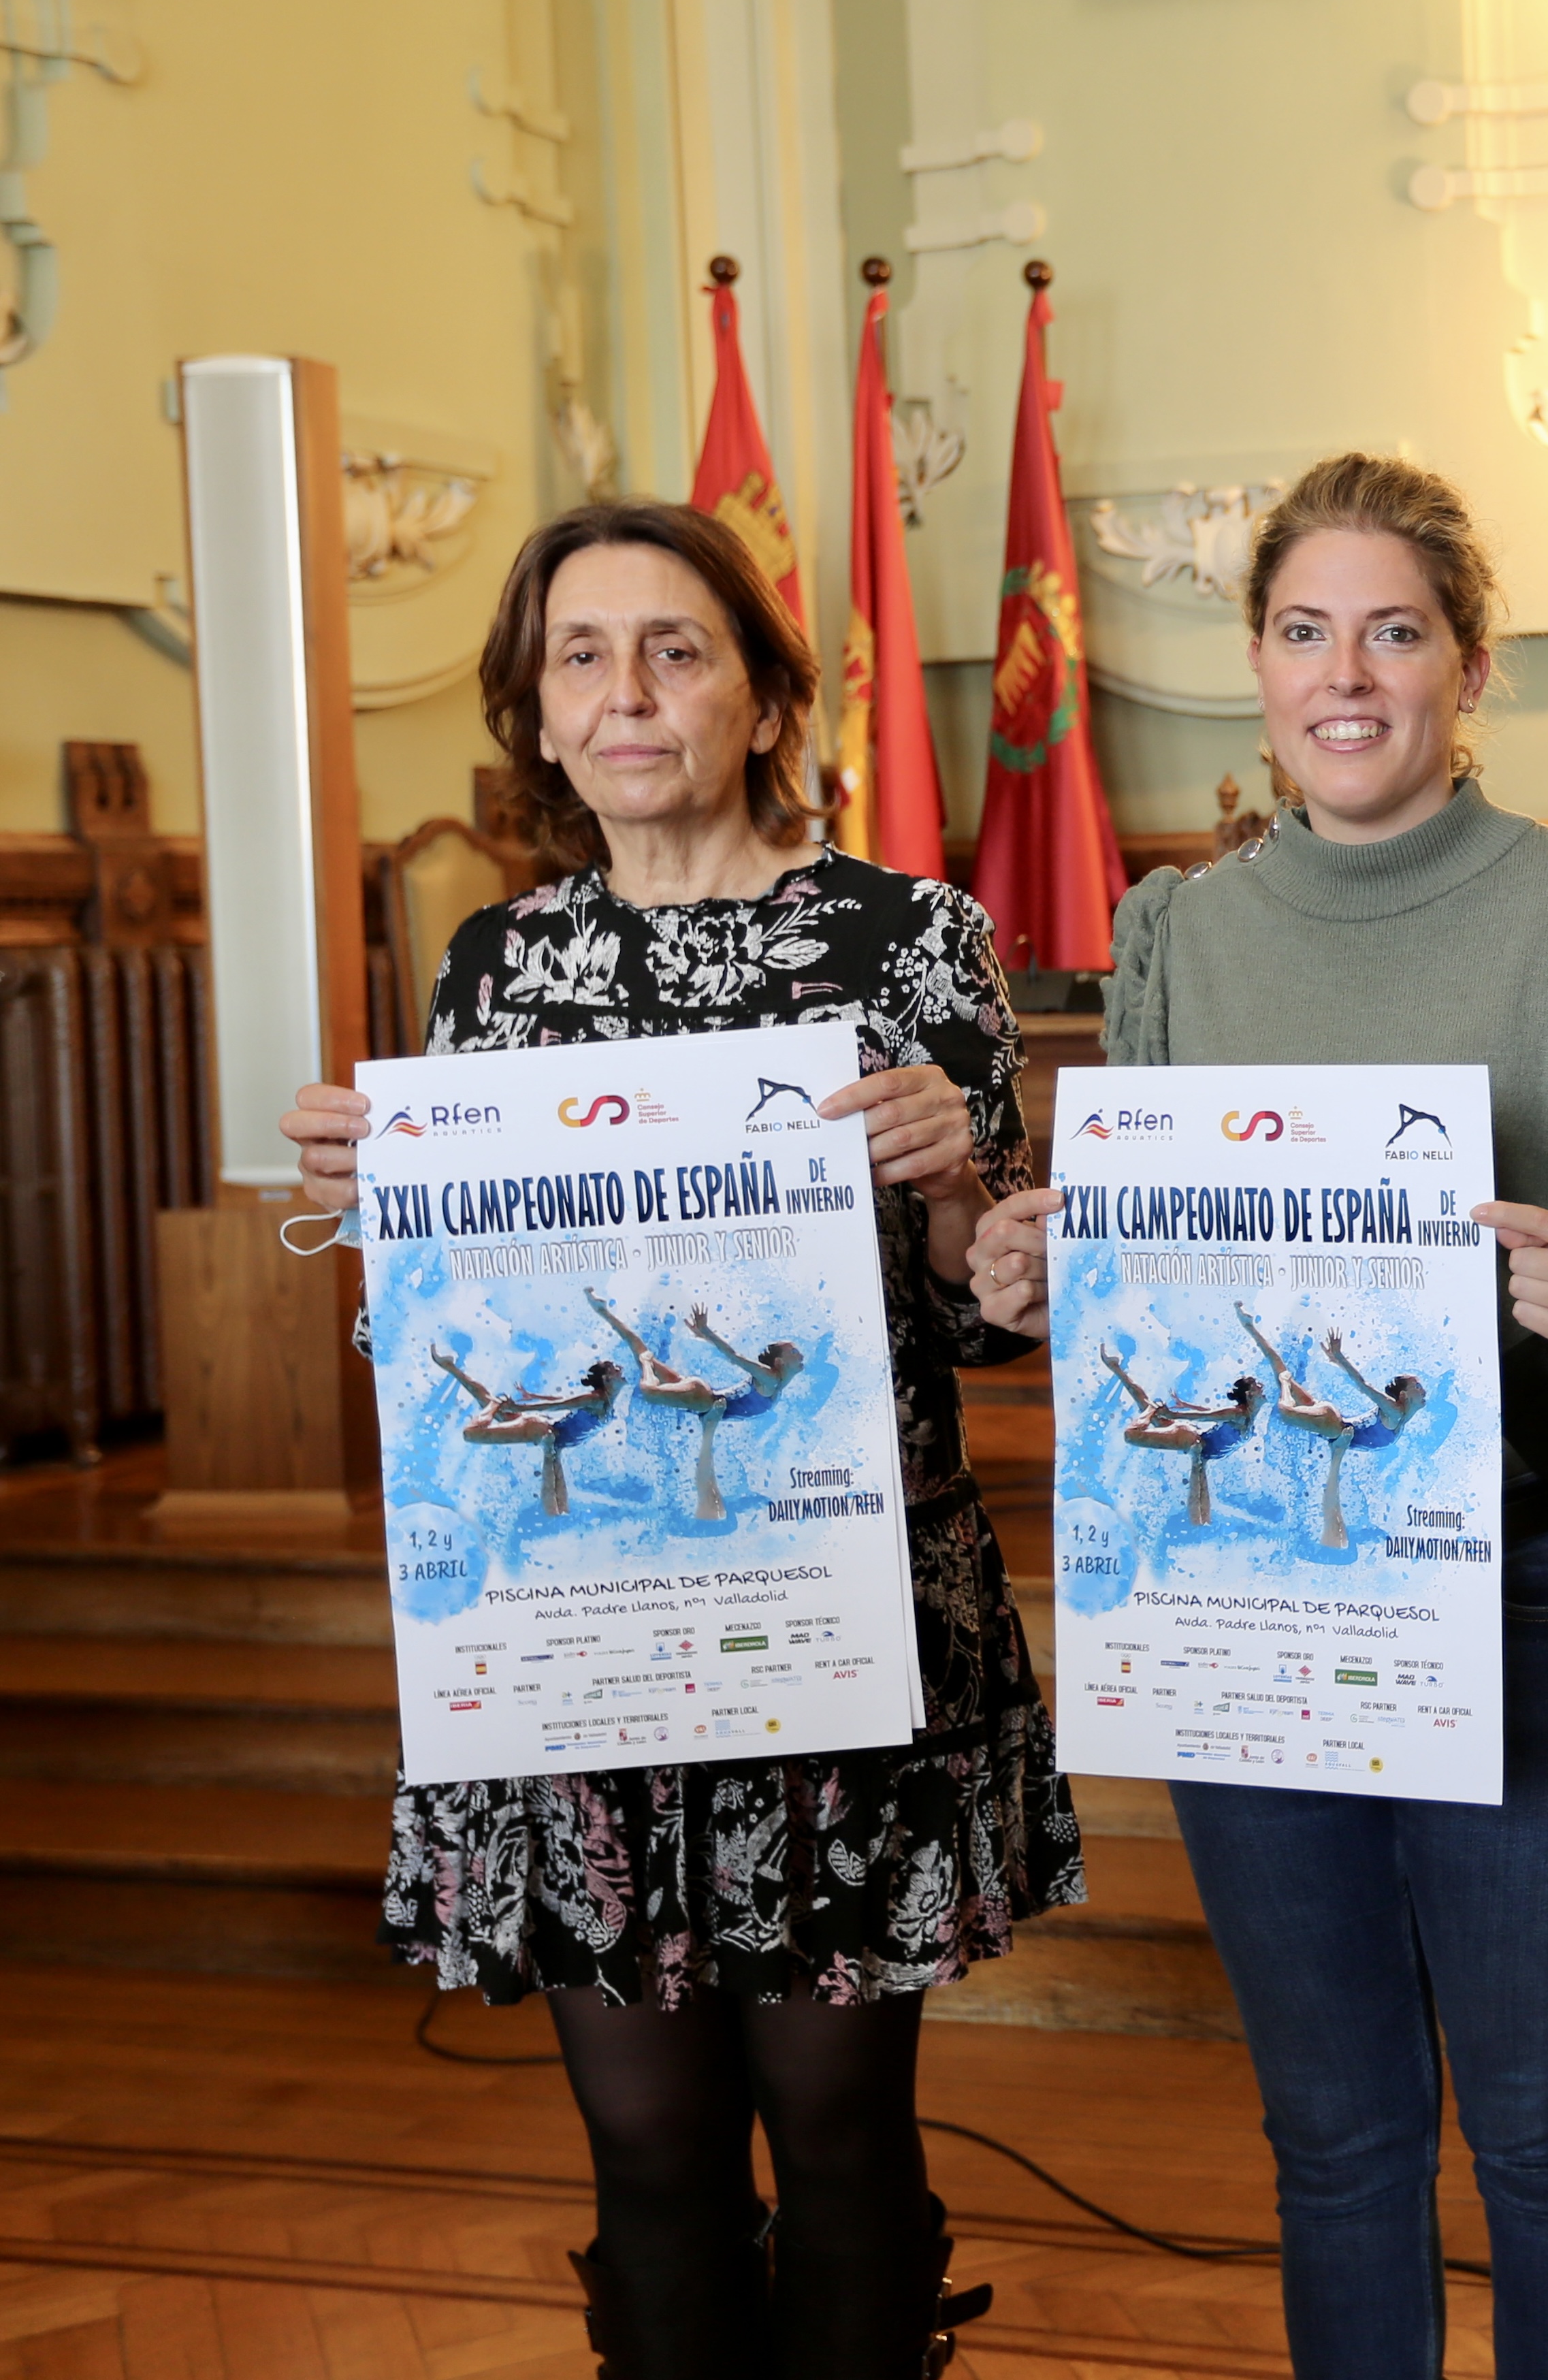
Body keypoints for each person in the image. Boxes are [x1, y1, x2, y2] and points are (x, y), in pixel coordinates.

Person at [279, 498, 1080, 2377]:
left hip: (838, 1625)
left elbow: (987, 1307)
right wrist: (376, 1199)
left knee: (837, 2126)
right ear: (538, 713)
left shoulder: (907, 938)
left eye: (676, 645)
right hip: (578, 1631)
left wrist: (964, 1178)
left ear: (761, 690)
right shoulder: (489, 969)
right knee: (640, 2139)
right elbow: (465, 1329)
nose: (627, 687)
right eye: (582, 652)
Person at [964, 453, 1548, 2380]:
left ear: (1468, 664)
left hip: (1536, 1597)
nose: (1349, 674)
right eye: (1306, 631)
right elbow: (1151, 1298)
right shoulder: (1177, 939)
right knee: (1335, 2140)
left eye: (1395, 630)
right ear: (1256, 664)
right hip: (1254, 1604)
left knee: (1545, 2138)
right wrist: (1049, 1274)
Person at [589, 1290, 809, 1522]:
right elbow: (734, 1356)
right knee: (649, 1389)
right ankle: (644, 1367)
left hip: (701, 1399)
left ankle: (603, 1311)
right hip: (702, 1398)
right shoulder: (770, 1378)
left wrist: (706, 1336)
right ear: (780, 1362)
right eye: (794, 1352)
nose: (801, 1354)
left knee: (643, 1352)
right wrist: (706, 1332)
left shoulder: (776, 1384)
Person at [1246, 1315, 1421, 1554]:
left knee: (1281, 1371)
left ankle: (1249, 1326)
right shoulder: (1394, 1410)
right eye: (1417, 1387)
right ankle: (1285, 1384)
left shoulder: (1400, 1417)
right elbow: (1363, 1385)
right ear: (1403, 1396)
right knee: (1285, 1409)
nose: (1423, 1391)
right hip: (1333, 1425)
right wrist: (1339, 1359)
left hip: (1333, 1426)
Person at [432, 1347, 624, 1519]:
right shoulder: (596, 1400)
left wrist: (533, 1397)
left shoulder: (605, 1401)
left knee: (560, 1505)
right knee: (471, 1434)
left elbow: (563, 1399)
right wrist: (519, 1408)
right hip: (541, 1429)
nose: (621, 1369)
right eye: (615, 1369)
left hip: (552, 1435)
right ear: (606, 1379)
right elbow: (558, 1405)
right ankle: (495, 1403)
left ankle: (451, 1368)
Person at [1106, 1349, 1268, 1527]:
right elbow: (1207, 1417)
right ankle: (1150, 1408)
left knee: (1202, 1495)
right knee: (1131, 1435)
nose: (1263, 1388)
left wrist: (1185, 1405)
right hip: (1191, 1439)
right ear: (1249, 1395)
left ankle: (1116, 1368)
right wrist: (1173, 1415)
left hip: (1198, 1443)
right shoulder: (1238, 1415)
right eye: (1258, 1386)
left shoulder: (1246, 1418)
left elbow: (1209, 1412)